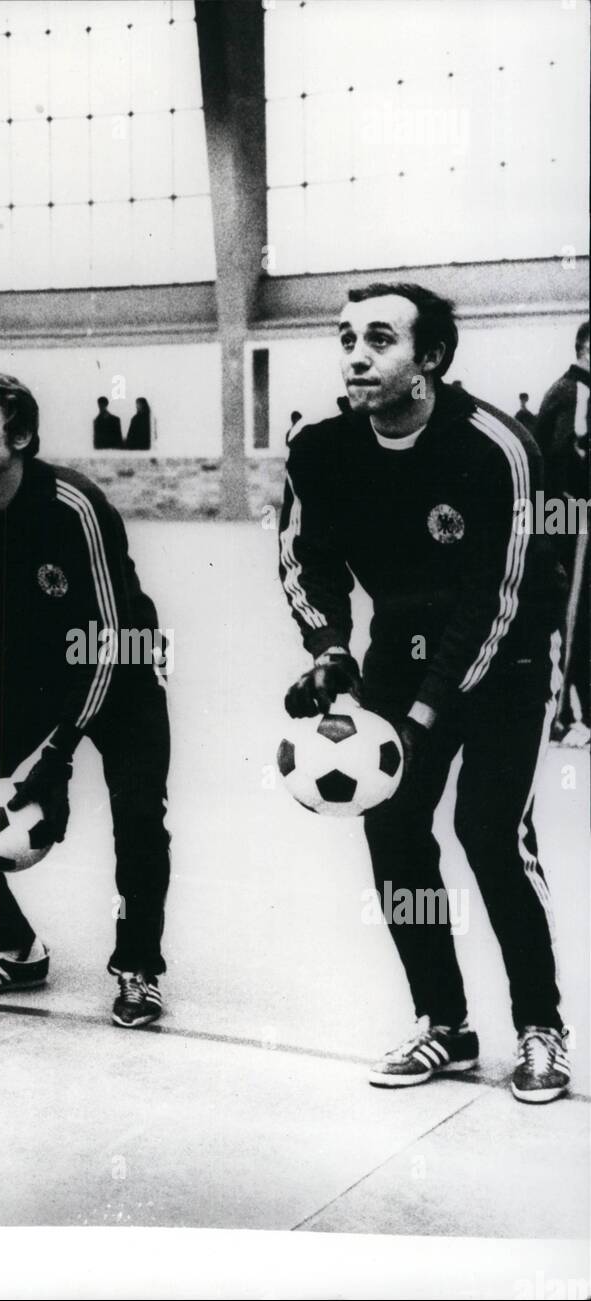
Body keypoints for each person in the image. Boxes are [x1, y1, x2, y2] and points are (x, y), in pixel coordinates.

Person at [279, 282, 570, 1103]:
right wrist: (330, 651)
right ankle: (443, 1023)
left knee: (488, 833)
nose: (356, 355)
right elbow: (307, 561)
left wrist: (419, 719)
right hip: (396, 657)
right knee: (396, 833)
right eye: (345, 339)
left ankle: (539, 1028)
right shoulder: (322, 450)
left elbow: (498, 599)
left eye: (379, 339)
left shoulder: (494, 448)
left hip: (505, 662)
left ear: (431, 359)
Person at [0, 372, 171, 1028]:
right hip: (26, 676)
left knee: (138, 817)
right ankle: (14, 948)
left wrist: (58, 756)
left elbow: (118, 635)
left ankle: (138, 967)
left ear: (19, 435)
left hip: (118, 669)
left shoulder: (72, 504)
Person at [535, 320, 590, 748]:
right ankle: (566, 715)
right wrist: (560, 526)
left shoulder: (570, 390)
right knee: (570, 611)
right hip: (572, 517)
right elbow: (559, 459)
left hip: (567, 516)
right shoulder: (575, 392)